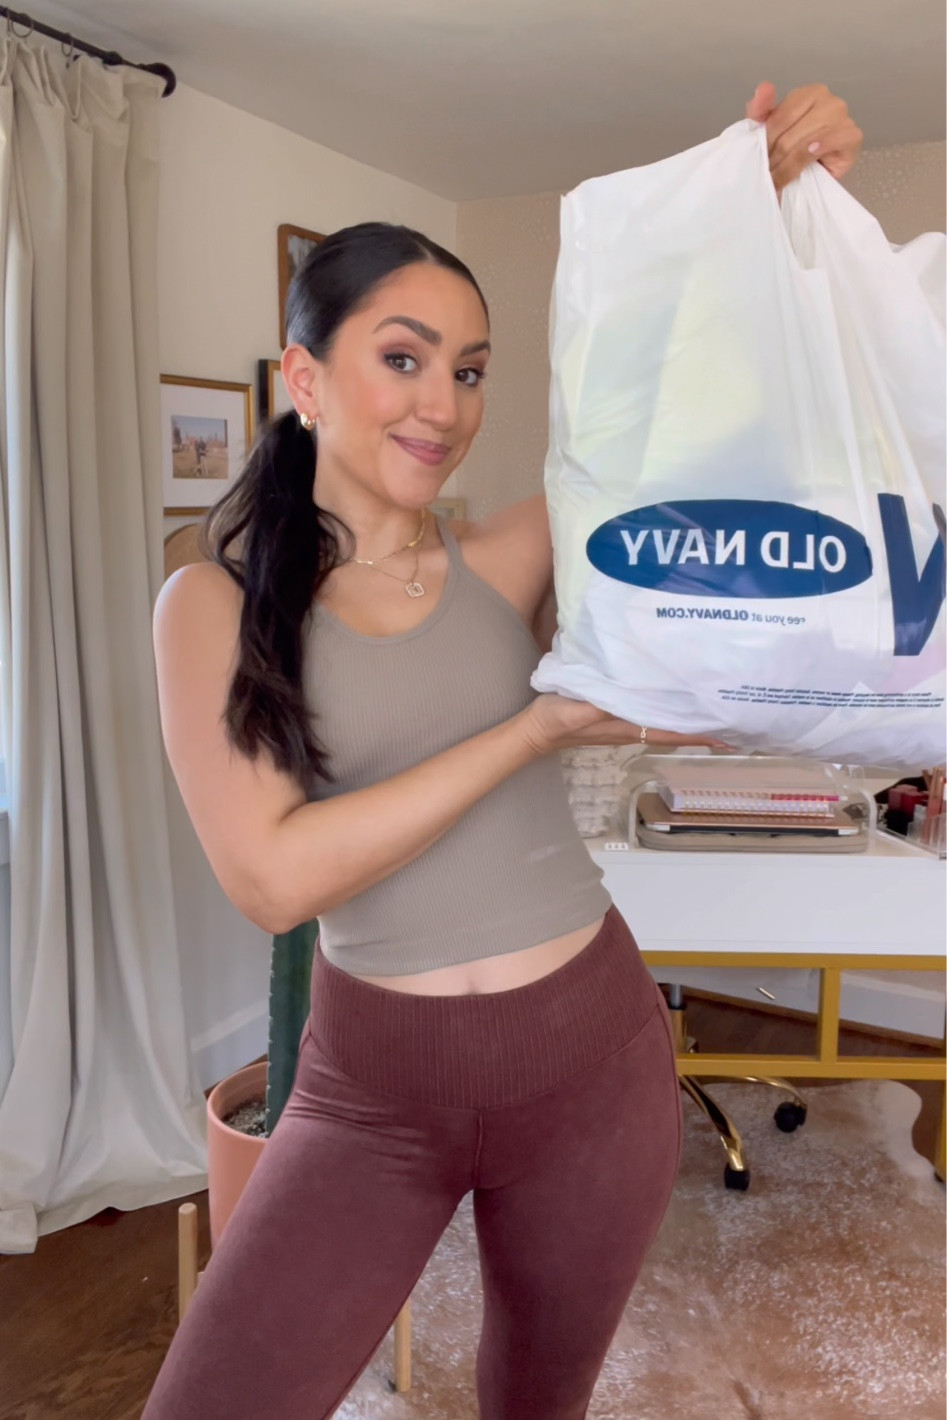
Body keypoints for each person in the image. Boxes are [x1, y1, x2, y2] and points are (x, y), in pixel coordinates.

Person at [144, 82, 863, 1420]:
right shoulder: (212, 605)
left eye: (470, 371)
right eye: (404, 358)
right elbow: (273, 878)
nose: (445, 404)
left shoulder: (509, 556)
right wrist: (531, 727)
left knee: (538, 1400)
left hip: (591, 1057)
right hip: (373, 1090)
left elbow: (671, 430)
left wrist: (751, 211)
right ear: (304, 377)